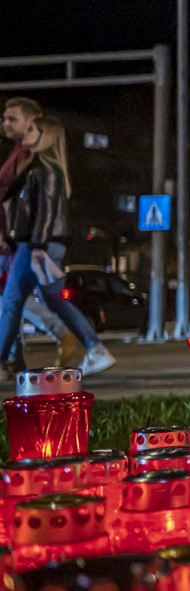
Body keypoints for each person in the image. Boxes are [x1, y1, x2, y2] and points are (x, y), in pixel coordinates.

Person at [0, 116, 116, 380]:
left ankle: (2, 360)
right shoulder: (45, 172)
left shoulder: (46, 172)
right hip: (41, 245)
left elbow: (45, 212)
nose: (26, 135)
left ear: (46, 137)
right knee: (52, 301)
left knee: (10, 302)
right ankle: (95, 348)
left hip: (34, 245)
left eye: (32, 130)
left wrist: (38, 246)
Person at [1, 97, 85, 370]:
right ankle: (14, 356)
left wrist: (30, 242)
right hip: (18, 240)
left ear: (32, 121)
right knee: (12, 299)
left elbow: (32, 207)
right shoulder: (19, 154)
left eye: (12, 118)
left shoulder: (34, 160)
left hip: (21, 241)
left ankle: (64, 336)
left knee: (14, 298)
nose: (5, 124)